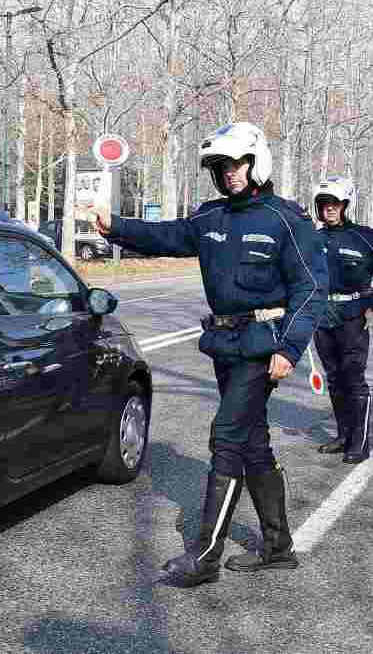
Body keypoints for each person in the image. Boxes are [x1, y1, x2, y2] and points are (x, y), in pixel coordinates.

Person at [90, 121, 328, 588]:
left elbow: (311, 287)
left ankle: (205, 557)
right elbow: (167, 235)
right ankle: (278, 547)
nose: (229, 174)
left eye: (236, 164)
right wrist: (114, 226)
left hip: (264, 346)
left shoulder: (286, 219)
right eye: (220, 167)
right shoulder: (211, 217)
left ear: (256, 162)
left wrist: (291, 347)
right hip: (225, 344)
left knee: (226, 437)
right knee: (253, 444)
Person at [311, 176, 373, 464]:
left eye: (335, 204)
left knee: (354, 379)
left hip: (353, 318)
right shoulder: (312, 240)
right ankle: (343, 435)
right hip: (321, 318)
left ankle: (360, 442)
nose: (329, 208)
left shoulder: (365, 238)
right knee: (335, 379)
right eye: (324, 204)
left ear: (346, 205)